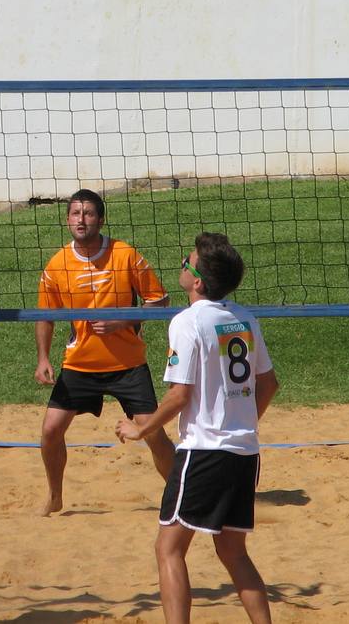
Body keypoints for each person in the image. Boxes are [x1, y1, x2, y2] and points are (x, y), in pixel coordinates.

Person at [115, 232, 279, 624]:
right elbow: (269, 384)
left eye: (186, 263)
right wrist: (241, 422)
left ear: (198, 282)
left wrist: (142, 431)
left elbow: (178, 396)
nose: (181, 267)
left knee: (168, 549)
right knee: (233, 552)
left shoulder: (187, 322)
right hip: (245, 452)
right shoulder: (244, 318)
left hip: (203, 453)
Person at [34, 188, 173, 516]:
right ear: (68, 219)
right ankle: (55, 495)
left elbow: (160, 301)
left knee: (154, 434)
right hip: (80, 365)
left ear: (100, 218)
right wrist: (42, 358)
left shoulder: (125, 255)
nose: (81, 220)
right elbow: (44, 315)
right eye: (75, 214)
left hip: (127, 364)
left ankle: (180, 495)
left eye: (88, 213)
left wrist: (119, 321)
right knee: (51, 430)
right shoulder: (57, 265)